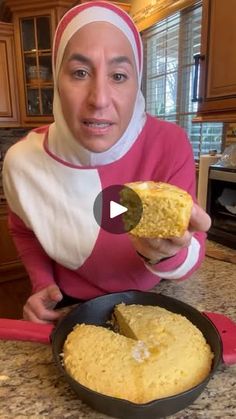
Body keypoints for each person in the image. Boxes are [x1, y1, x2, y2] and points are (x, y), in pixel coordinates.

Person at [3, 1, 211, 324]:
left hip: (152, 301)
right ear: (57, 79)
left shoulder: (169, 145)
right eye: (80, 72)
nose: (99, 99)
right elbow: (23, 229)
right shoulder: (23, 164)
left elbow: (192, 251)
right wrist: (42, 283)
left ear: (136, 83)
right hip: (69, 306)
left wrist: (168, 251)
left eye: (118, 75)